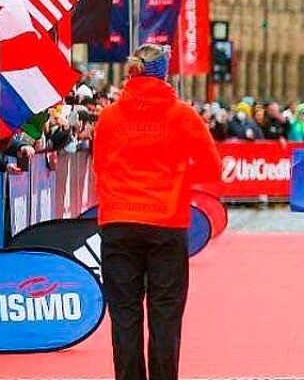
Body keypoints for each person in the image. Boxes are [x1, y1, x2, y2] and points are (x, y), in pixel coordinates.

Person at [93, 44, 222, 380]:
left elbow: (100, 166)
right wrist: (178, 178)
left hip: (119, 221)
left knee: (125, 314)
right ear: (164, 73)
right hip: (166, 221)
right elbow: (211, 167)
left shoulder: (109, 116)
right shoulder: (182, 115)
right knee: (165, 313)